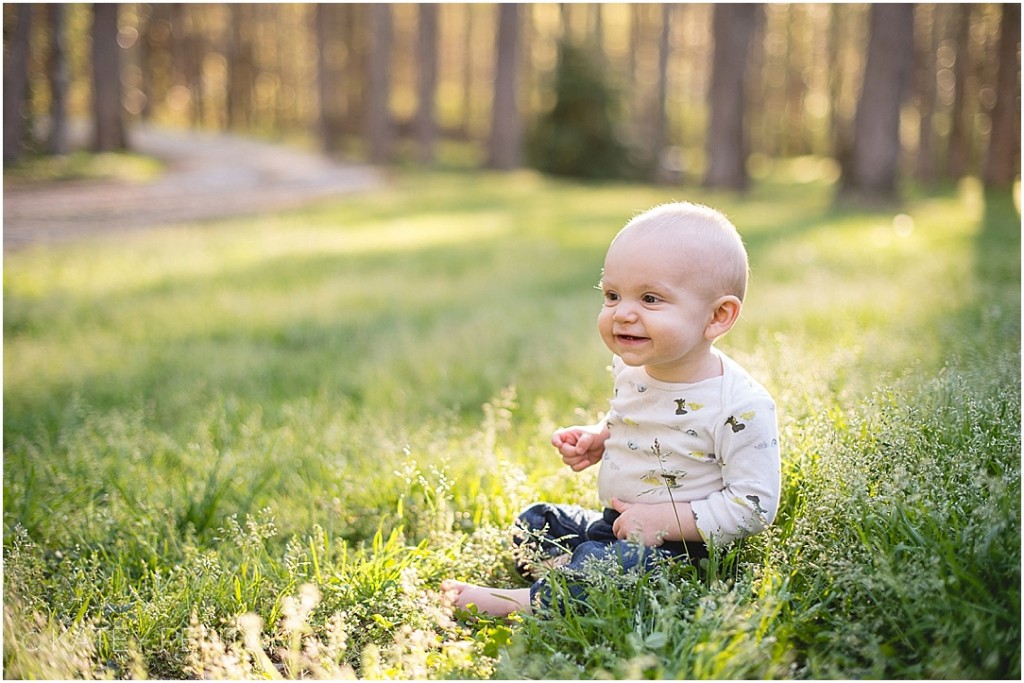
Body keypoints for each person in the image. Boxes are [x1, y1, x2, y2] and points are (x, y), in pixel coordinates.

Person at [442, 202, 781, 616]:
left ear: (717, 316)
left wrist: (665, 522)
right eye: (612, 295)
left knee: (626, 566)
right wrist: (600, 436)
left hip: (681, 550)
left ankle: (533, 602)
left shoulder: (740, 406)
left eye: (650, 298)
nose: (623, 313)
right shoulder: (633, 365)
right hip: (616, 524)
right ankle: (579, 574)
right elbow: (638, 416)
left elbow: (754, 505)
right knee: (534, 523)